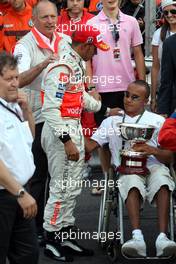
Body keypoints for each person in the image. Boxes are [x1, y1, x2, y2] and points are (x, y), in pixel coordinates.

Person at [41, 25, 121, 261]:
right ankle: (51, 238)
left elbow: (80, 96)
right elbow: (50, 109)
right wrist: (66, 141)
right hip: (61, 133)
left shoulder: (74, 64)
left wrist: (105, 109)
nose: (95, 54)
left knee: (72, 187)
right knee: (60, 188)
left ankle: (64, 233)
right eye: (94, 49)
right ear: (85, 45)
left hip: (72, 128)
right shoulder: (62, 68)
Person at [85, 80, 176, 257]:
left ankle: (163, 238)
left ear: (146, 101)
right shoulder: (111, 121)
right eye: (126, 94)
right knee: (131, 180)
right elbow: (90, 146)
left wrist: (152, 150)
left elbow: (170, 157)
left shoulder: (157, 121)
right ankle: (137, 237)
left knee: (163, 179)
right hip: (125, 168)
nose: (128, 99)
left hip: (153, 164)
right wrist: (67, 131)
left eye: (135, 97)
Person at [13, 0, 68, 242]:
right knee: (37, 174)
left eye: (53, 17)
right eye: (44, 17)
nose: (50, 21)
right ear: (33, 19)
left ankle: (56, 226)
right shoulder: (24, 46)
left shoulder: (63, 40)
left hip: (61, 115)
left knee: (59, 176)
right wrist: (43, 64)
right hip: (35, 116)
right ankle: (33, 230)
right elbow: (18, 80)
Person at [86, 0, 145, 175]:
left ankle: (127, 177)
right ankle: (108, 179)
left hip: (128, 88)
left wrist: (142, 85)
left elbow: (138, 53)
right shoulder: (91, 24)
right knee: (104, 140)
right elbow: (86, 59)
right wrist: (91, 88)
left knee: (129, 137)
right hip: (102, 90)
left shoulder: (131, 21)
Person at [0, 52, 39, 264]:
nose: (16, 83)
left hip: (20, 191)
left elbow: (29, 140)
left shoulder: (13, 104)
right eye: (9, 79)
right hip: (7, 195)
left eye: (16, 77)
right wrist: (20, 193)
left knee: (28, 255)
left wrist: (28, 112)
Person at [151, 0, 176, 112]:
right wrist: (153, 98)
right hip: (166, 88)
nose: (169, 15)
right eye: (166, 13)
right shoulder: (159, 34)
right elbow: (155, 67)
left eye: (173, 11)